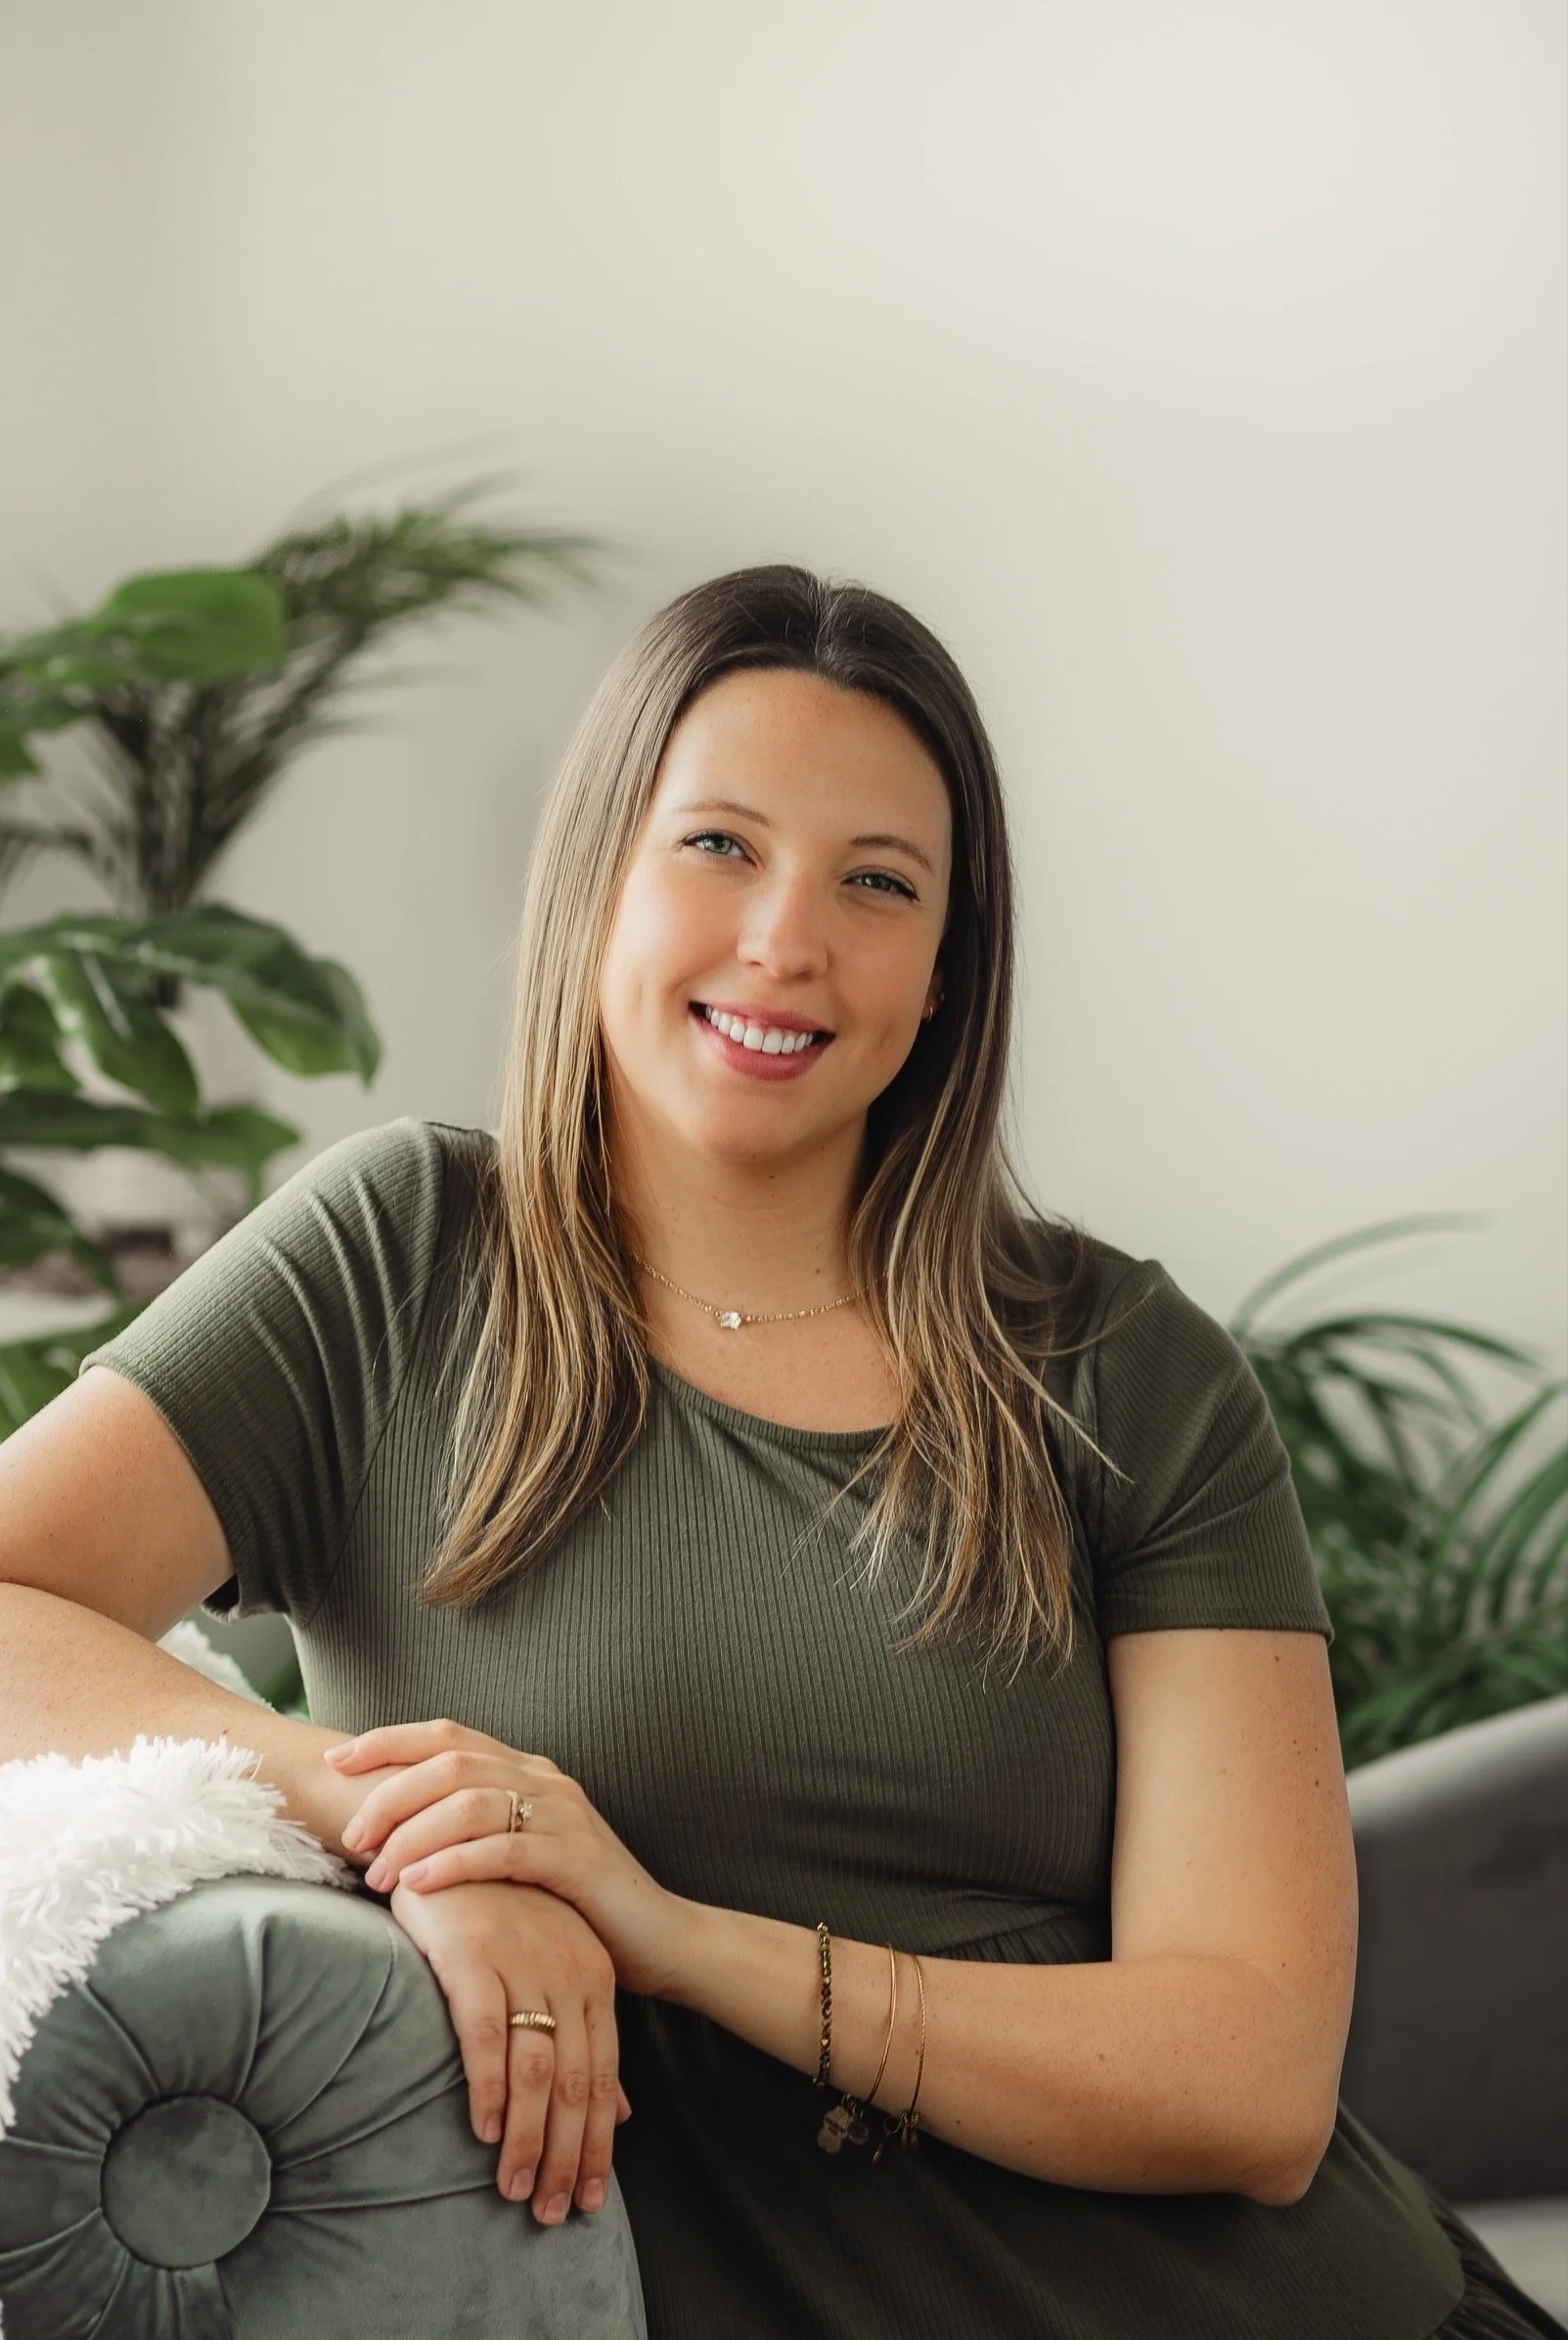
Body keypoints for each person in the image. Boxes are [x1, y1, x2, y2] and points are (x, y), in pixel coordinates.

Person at [0, 566, 1556, 2340]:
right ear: (599, 874)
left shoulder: (1123, 1371)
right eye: (718, 846)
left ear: (945, 971)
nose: (783, 942)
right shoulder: (397, 1259)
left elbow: (1250, 2082)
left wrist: (665, 1934)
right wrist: (402, 1816)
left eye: (875, 883)